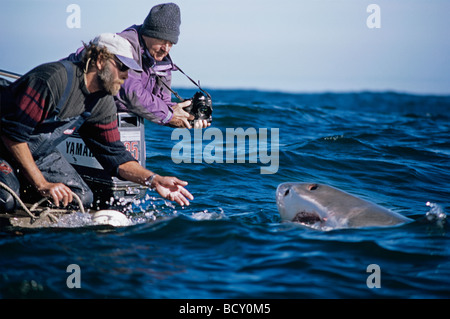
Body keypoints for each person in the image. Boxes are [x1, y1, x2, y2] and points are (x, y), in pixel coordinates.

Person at [0, 33, 193, 213]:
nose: (127, 76)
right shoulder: (53, 79)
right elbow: (12, 134)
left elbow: (115, 156)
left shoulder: (102, 102)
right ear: (100, 61)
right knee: (6, 199)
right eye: (123, 68)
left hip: (39, 153)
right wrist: (41, 184)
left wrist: (154, 180)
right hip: (6, 146)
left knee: (81, 198)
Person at [66, 2, 209, 129]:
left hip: (103, 115)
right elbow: (130, 93)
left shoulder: (162, 62)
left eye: (171, 43)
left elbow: (162, 105)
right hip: (67, 101)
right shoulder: (124, 47)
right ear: (148, 33)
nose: (166, 48)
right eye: (162, 40)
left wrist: (185, 117)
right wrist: (170, 115)